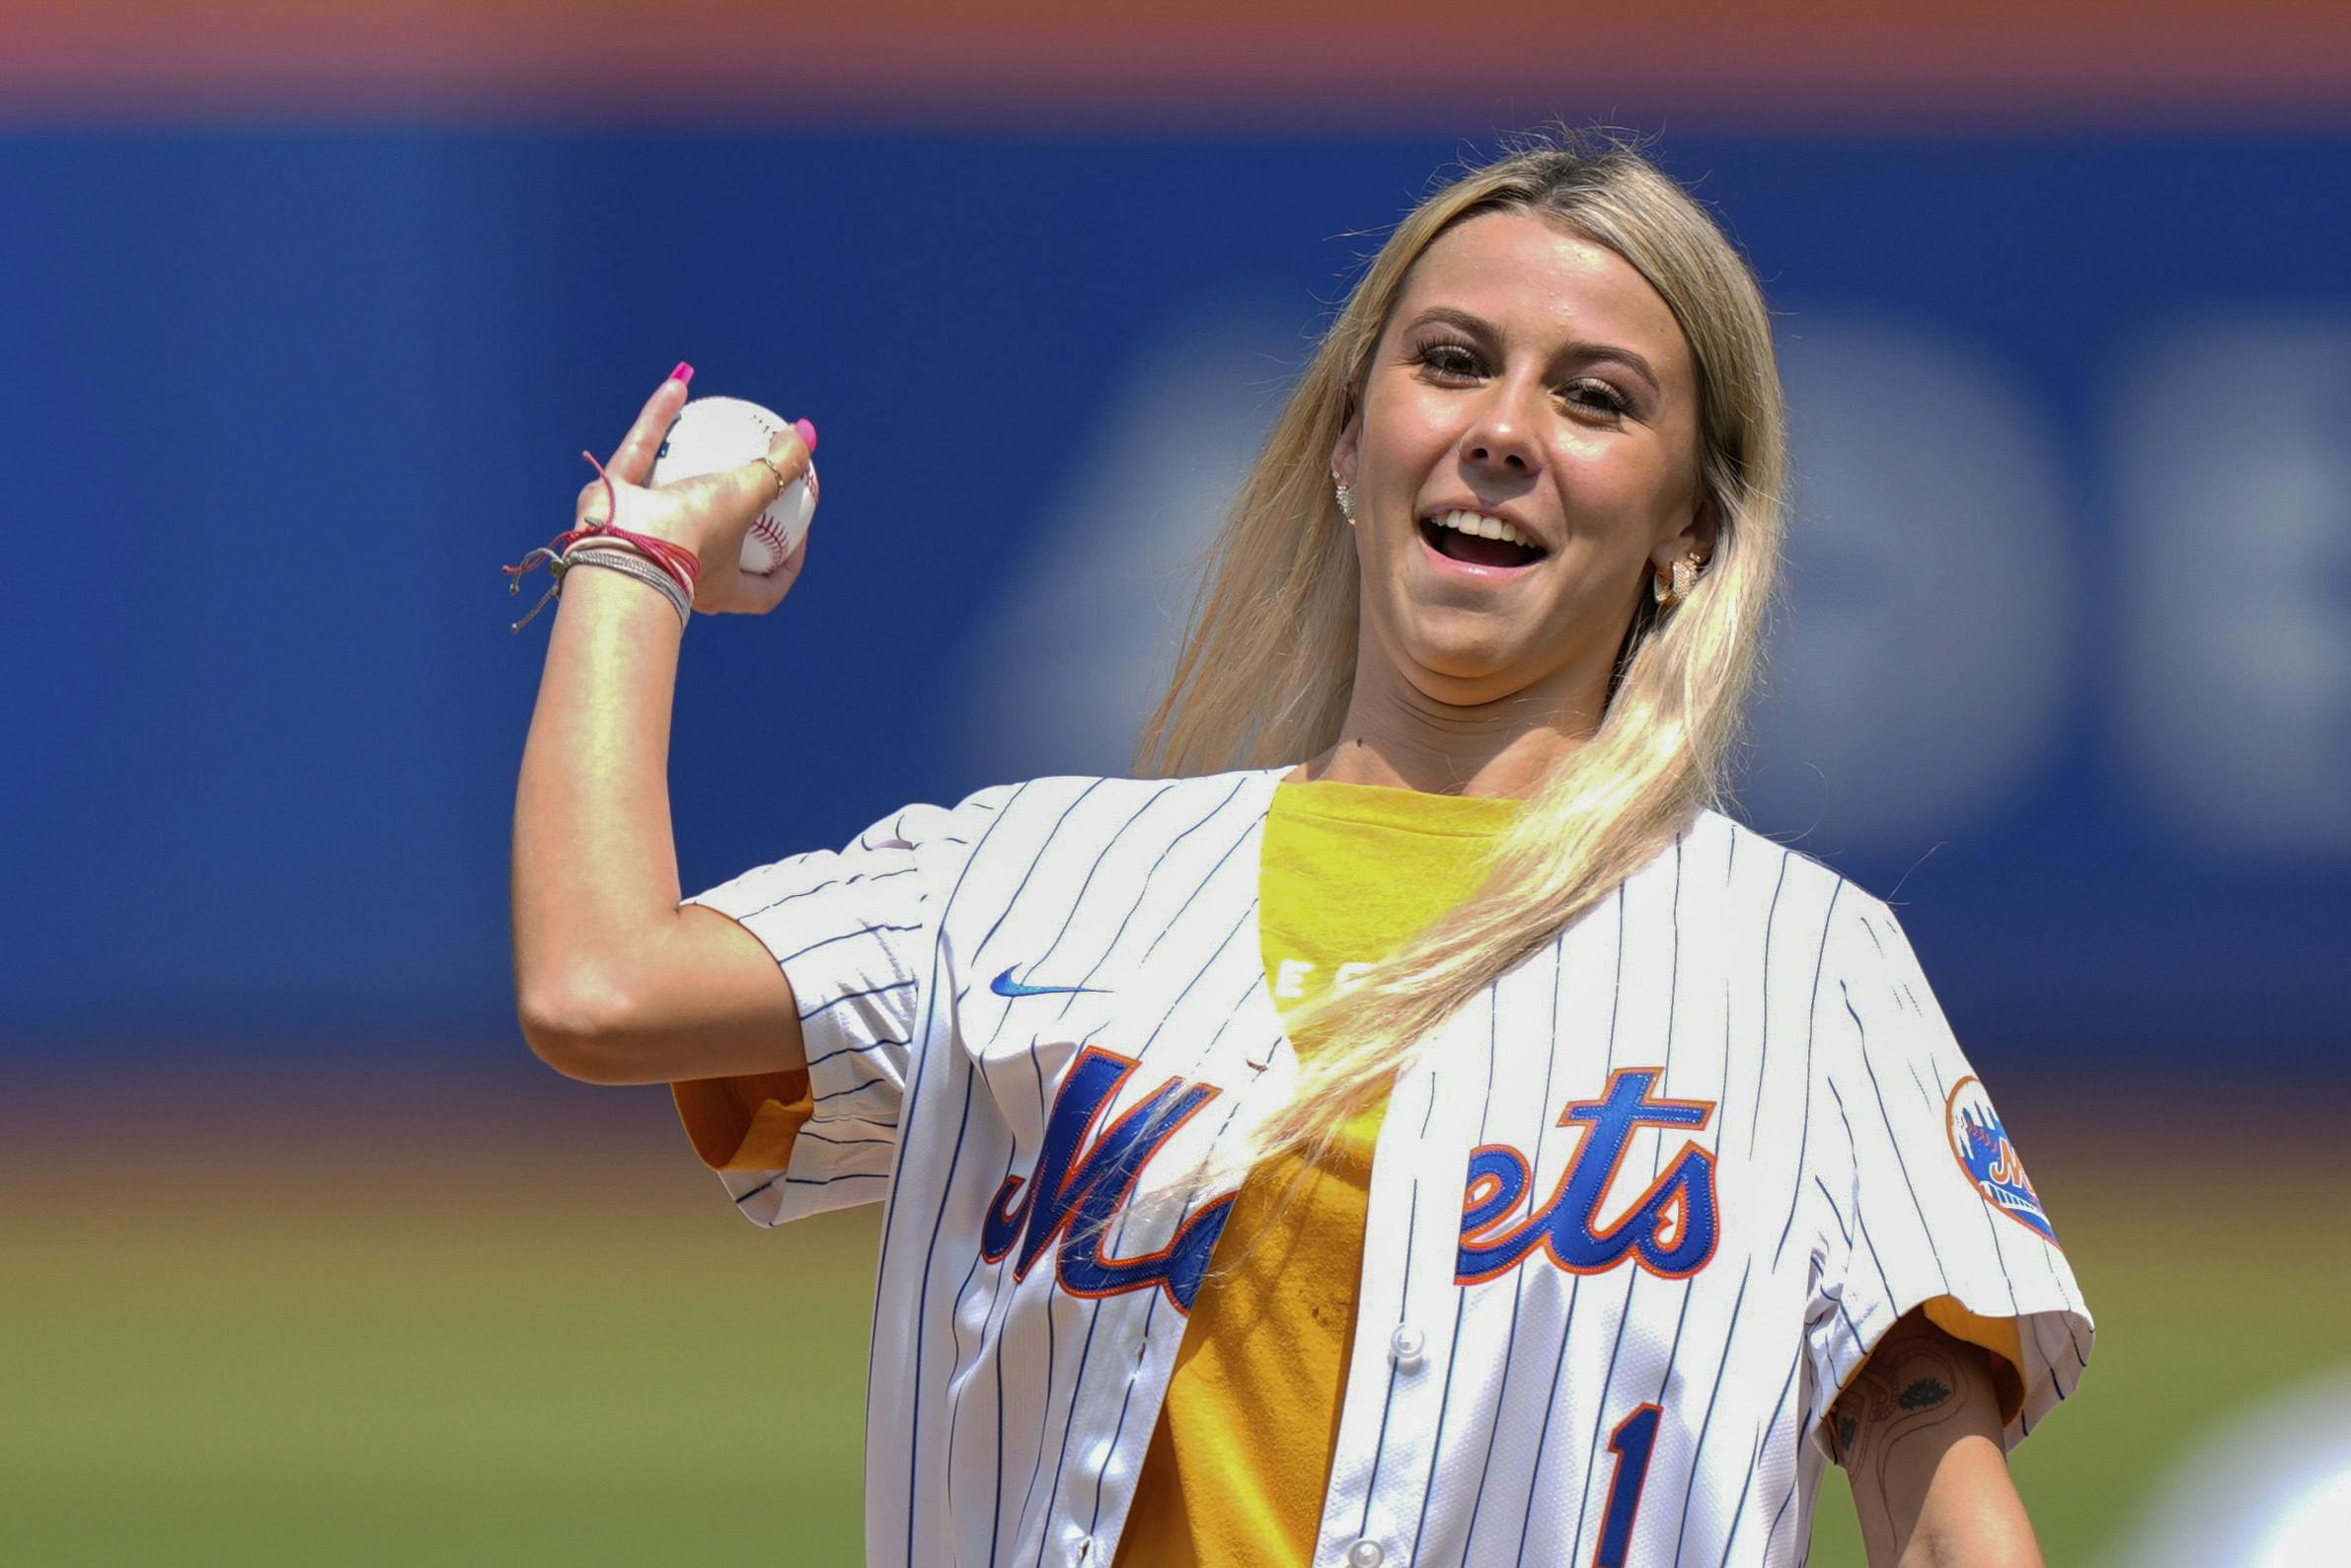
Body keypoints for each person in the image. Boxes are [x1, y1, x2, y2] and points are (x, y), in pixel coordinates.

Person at [513, 132, 2091, 1568]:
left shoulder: (1794, 964)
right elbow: (598, 985)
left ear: (1689, 528)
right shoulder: (1033, 872)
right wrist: (630, 564)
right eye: (1453, 362)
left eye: (1594, 397)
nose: (1503, 430)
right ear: (1349, 445)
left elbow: (1934, 1482)